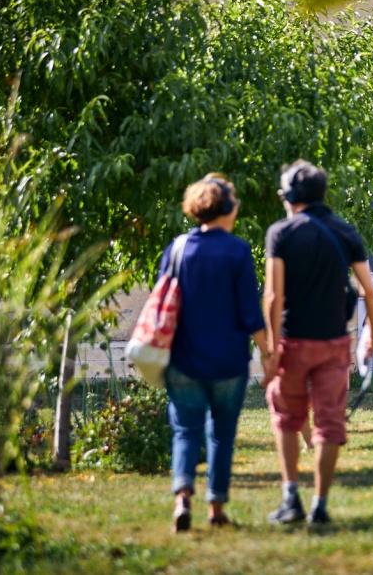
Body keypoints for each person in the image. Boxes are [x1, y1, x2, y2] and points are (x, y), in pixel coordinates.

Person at [262, 160, 373, 525]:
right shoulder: (344, 231)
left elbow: (272, 296)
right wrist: (371, 333)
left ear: (291, 196)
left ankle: (290, 499)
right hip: (334, 342)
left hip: (294, 340)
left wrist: (270, 348)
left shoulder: (281, 233)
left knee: (286, 417)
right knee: (329, 423)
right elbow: (368, 290)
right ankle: (321, 505)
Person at [160, 173, 267, 532]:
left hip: (183, 359)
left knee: (185, 431)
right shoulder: (237, 251)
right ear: (227, 208)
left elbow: (164, 301)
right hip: (228, 361)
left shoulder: (176, 249)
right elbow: (251, 313)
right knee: (221, 433)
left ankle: (181, 498)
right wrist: (268, 353)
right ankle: (216, 507)